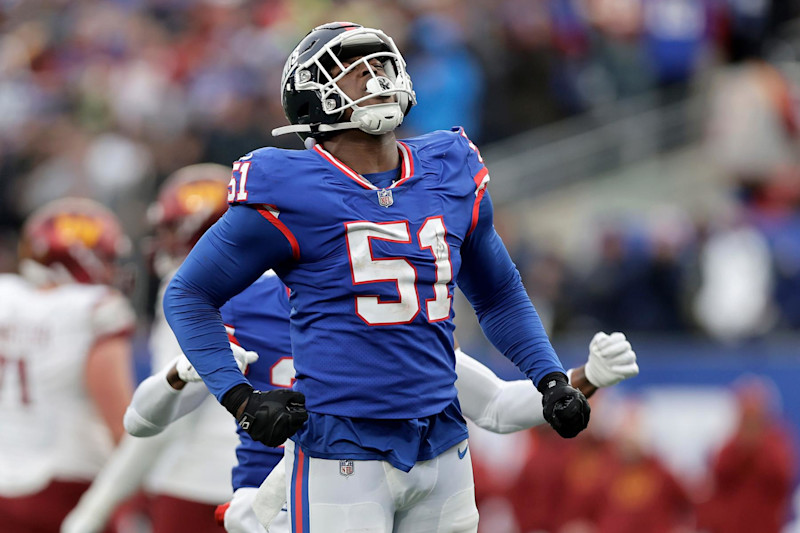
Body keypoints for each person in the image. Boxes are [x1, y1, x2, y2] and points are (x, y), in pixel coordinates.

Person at [163, 21, 592, 532]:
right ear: (312, 99)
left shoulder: (447, 167)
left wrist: (548, 377)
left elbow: (498, 293)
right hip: (342, 445)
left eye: (379, 65)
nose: (375, 78)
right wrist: (241, 399)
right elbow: (188, 295)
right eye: (354, 72)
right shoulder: (289, 187)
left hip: (444, 442)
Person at [61, 164, 245, 533]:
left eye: (169, 229)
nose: (161, 242)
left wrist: (93, 510)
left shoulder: (190, 291)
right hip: (274, 479)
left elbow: (166, 417)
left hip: (195, 484)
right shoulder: (288, 280)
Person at [0, 197, 136, 533]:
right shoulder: (95, 308)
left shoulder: (6, 296)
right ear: (83, 257)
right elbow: (122, 422)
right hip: (69, 484)